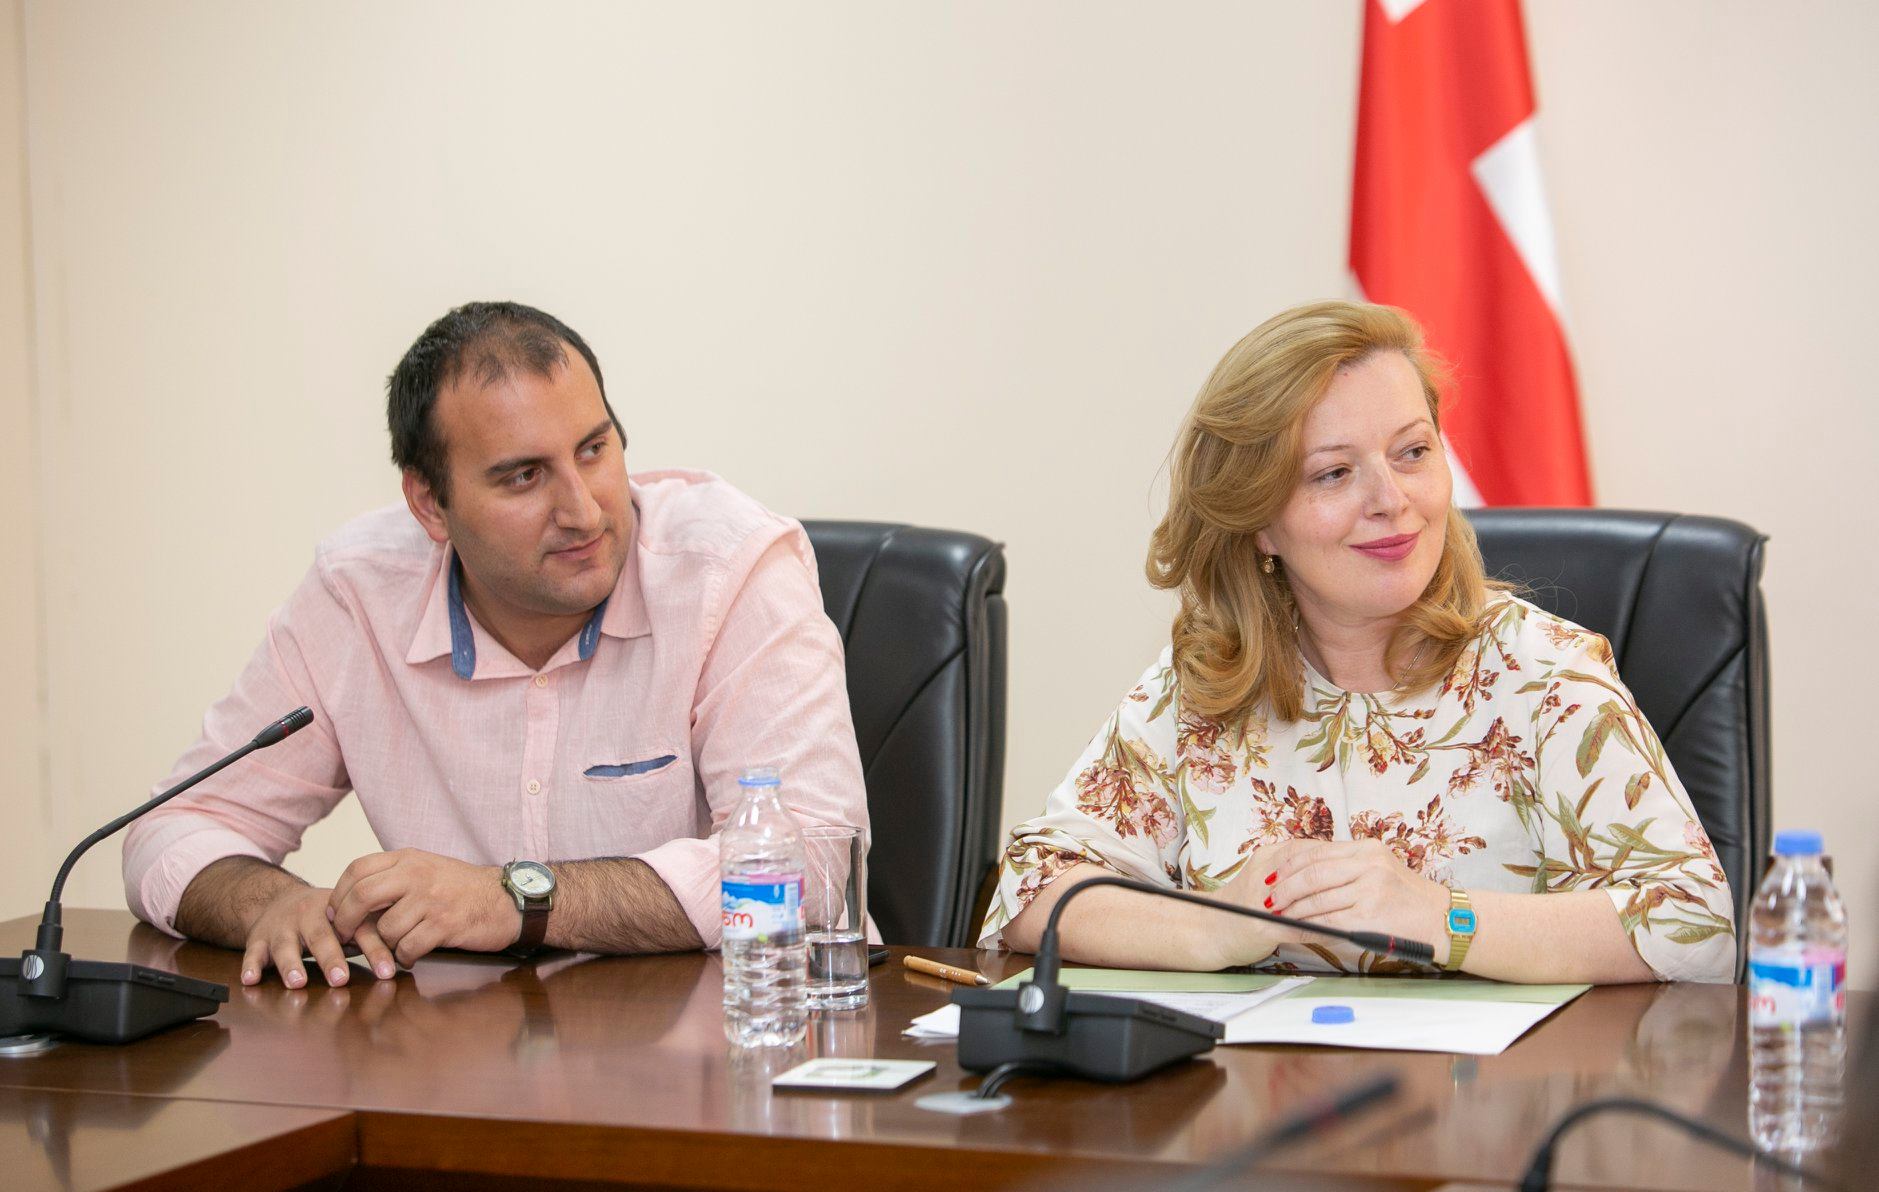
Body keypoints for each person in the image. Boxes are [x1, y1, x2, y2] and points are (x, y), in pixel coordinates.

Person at [981, 300, 1734, 984]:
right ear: (1259, 522)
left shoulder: (1542, 676)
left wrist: (1442, 919)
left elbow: (1696, 927)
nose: (1391, 500)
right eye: (1334, 473)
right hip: (1256, 1090)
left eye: (1412, 452)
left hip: (1493, 1091)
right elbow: (1028, 892)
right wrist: (1218, 924)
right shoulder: (1206, 684)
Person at [122, 301, 868, 989]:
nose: (583, 511)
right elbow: (172, 830)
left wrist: (515, 900)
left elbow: (811, 865)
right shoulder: (357, 594)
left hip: (741, 1040)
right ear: (429, 505)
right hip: (470, 1051)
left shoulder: (729, 570)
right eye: (523, 477)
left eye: (594, 449)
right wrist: (273, 904)